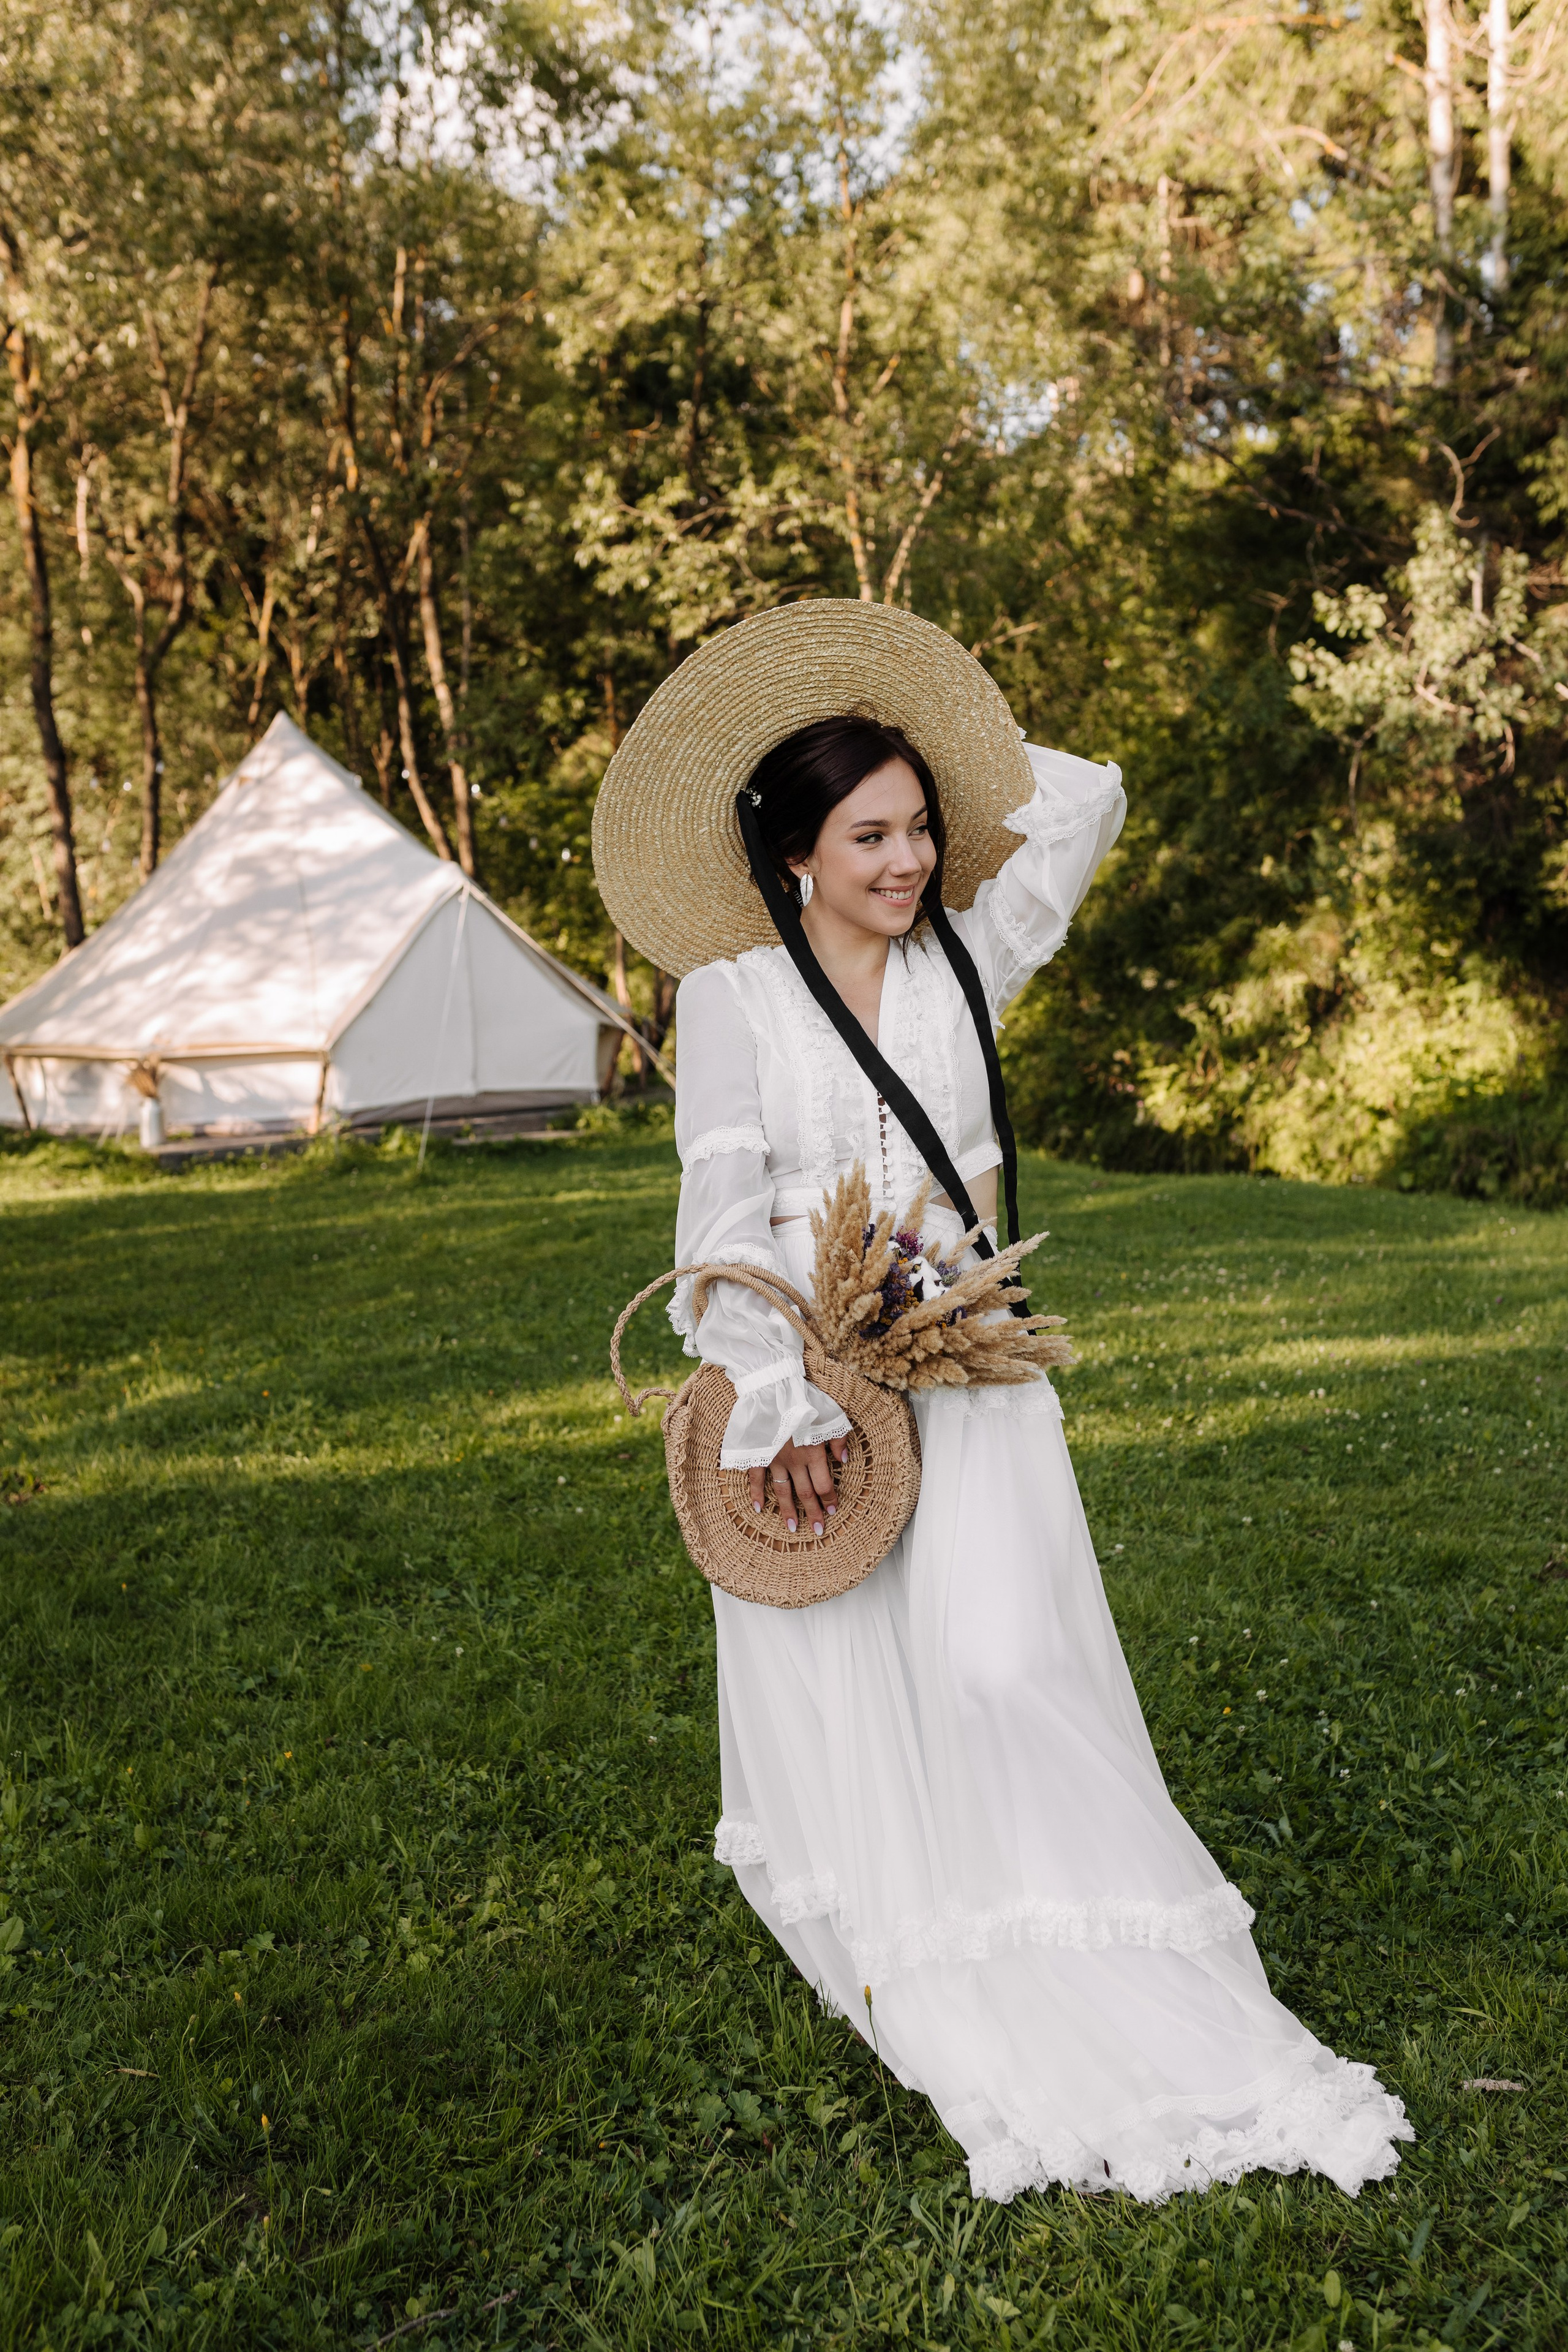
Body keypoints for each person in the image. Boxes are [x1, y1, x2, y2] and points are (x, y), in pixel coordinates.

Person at [593, 601, 1411, 2204]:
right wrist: (782, 1400)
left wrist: (902, 703)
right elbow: (714, 1228)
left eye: (922, 826)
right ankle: (928, 1927)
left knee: (1005, 1656)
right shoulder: (733, 1001)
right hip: (820, 1395)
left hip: (968, 1372)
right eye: (870, 834)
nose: (908, 862)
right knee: (865, 1674)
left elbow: (1084, 797)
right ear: (792, 851)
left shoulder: (977, 952)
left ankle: (1074, 1927)